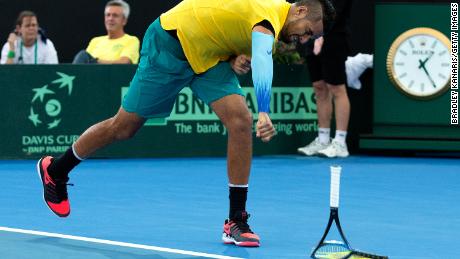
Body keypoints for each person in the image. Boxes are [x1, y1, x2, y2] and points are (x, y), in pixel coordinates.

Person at [37, 0, 332, 247]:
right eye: (306, 32)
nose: (302, 39)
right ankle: (56, 169)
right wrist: (265, 109)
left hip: (209, 56)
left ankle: (236, 220)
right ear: (301, 10)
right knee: (123, 127)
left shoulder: (268, 21)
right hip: (171, 44)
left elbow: (228, 21)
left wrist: (234, 52)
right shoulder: (267, 17)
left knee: (240, 120)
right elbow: (264, 57)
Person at [297, 0, 353, 158]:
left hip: (334, 38)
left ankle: (341, 143)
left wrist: (321, 35)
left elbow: (334, 11)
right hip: (313, 37)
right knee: (319, 88)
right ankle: (323, 139)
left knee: (337, 88)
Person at [72, 0, 139, 64]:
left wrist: (95, 61)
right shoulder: (95, 41)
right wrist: (93, 61)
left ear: (124, 20)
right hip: (90, 75)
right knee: (82, 55)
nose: (110, 18)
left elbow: (124, 63)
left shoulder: (132, 40)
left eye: (115, 15)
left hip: (113, 75)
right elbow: (83, 63)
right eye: (108, 15)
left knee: (82, 55)